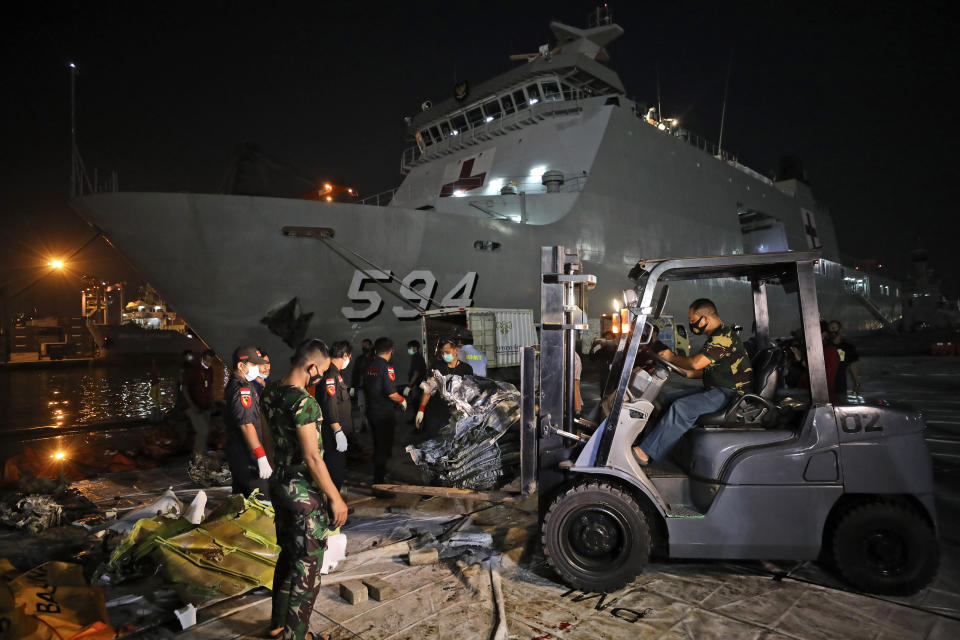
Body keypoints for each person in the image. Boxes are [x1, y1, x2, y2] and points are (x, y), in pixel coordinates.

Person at [261, 338, 348, 640]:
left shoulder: (270, 392)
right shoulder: (303, 402)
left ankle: (276, 626)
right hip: (302, 493)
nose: (322, 377)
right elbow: (312, 457)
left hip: (279, 483)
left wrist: (278, 472)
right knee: (307, 570)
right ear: (311, 367)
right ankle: (296, 635)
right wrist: (335, 498)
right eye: (321, 372)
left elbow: (268, 441)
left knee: (288, 556)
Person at [632, 299, 753, 465]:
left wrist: (671, 358)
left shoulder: (723, 337)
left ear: (705, 319)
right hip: (717, 389)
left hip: (731, 394)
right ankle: (645, 443)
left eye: (692, 320)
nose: (691, 324)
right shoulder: (717, 337)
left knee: (681, 408)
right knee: (667, 400)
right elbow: (705, 370)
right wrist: (680, 369)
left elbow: (696, 363)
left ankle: (645, 453)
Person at [224, 346, 272, 497]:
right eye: (253, 365)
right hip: (247, 455)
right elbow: (246, 425)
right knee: (260, 498)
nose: (257, 368)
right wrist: (261, 456)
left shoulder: (243, 384)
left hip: (241, 452)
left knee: (241, 498)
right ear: (241, 366)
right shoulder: (242, 389)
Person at [363, 337, 407, 485]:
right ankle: (379, 483)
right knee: (383, 448)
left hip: (372, 412)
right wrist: (402, 400)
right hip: (384, 414)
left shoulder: (371, 366)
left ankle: (379, 474)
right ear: (391, 351)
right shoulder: (386, 367)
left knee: (377, 445)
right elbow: (392, 394)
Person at [415, 337, 473, 438]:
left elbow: (469, 393)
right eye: (442, 353)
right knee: (437, 439)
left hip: (456, 414)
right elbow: (428, 390)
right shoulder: (437, 367)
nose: (444, 355)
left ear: (455, 351)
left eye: (447, 352)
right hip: (437, 412)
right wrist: (421, 409)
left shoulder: (466, 369)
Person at [315, 341, 352, 491]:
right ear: (345, 355)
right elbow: (330, 404)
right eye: (349, 357)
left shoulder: (335, 373)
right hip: (333, 434)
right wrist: (338, 431)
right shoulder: (330, 374)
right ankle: (332, 510)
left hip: (338, 433)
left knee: (337, 469)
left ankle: (333, 506)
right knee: (334, 471)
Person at [183, 349, 216, 459]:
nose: (209, 363)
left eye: (211, 361)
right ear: (202, 359)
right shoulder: (193, 370)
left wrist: (212, 401)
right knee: (203, 430)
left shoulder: (210, 370)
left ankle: (201, 451)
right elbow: (185, 389)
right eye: (207, 360)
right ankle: (197, 454)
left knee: (205, 430)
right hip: (194, 406)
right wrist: (191, 405)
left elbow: (209, 387)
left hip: (205, 406)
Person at [796, 321, 841, 396]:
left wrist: (801, 360)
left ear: (824, 334)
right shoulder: (816, 349)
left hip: (820, 398)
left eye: (811, 332)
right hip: (807, 394)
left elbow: (820, 379)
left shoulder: (830, 352)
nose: (808, 336)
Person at [828, 320, 861, 395]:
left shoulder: (848, 347)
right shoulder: (825, 346)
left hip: (840, 386)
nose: (831, 331)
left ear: (840, 330)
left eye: (833, 328)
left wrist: (857, 383)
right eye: (829, 329)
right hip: (825, 385)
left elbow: (853, 366)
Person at [351, 339, 374, 431]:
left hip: (373, 387)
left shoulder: (375, 358)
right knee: (362, 407)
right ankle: (364, 425)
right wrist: (353, 387)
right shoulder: (360, 359)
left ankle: (373, 425)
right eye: (363, 345)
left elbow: (376, 372)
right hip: (361, 387)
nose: (364, 347)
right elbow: (355, 373)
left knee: (373, 406)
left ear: (371, 345)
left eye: (366, 345)